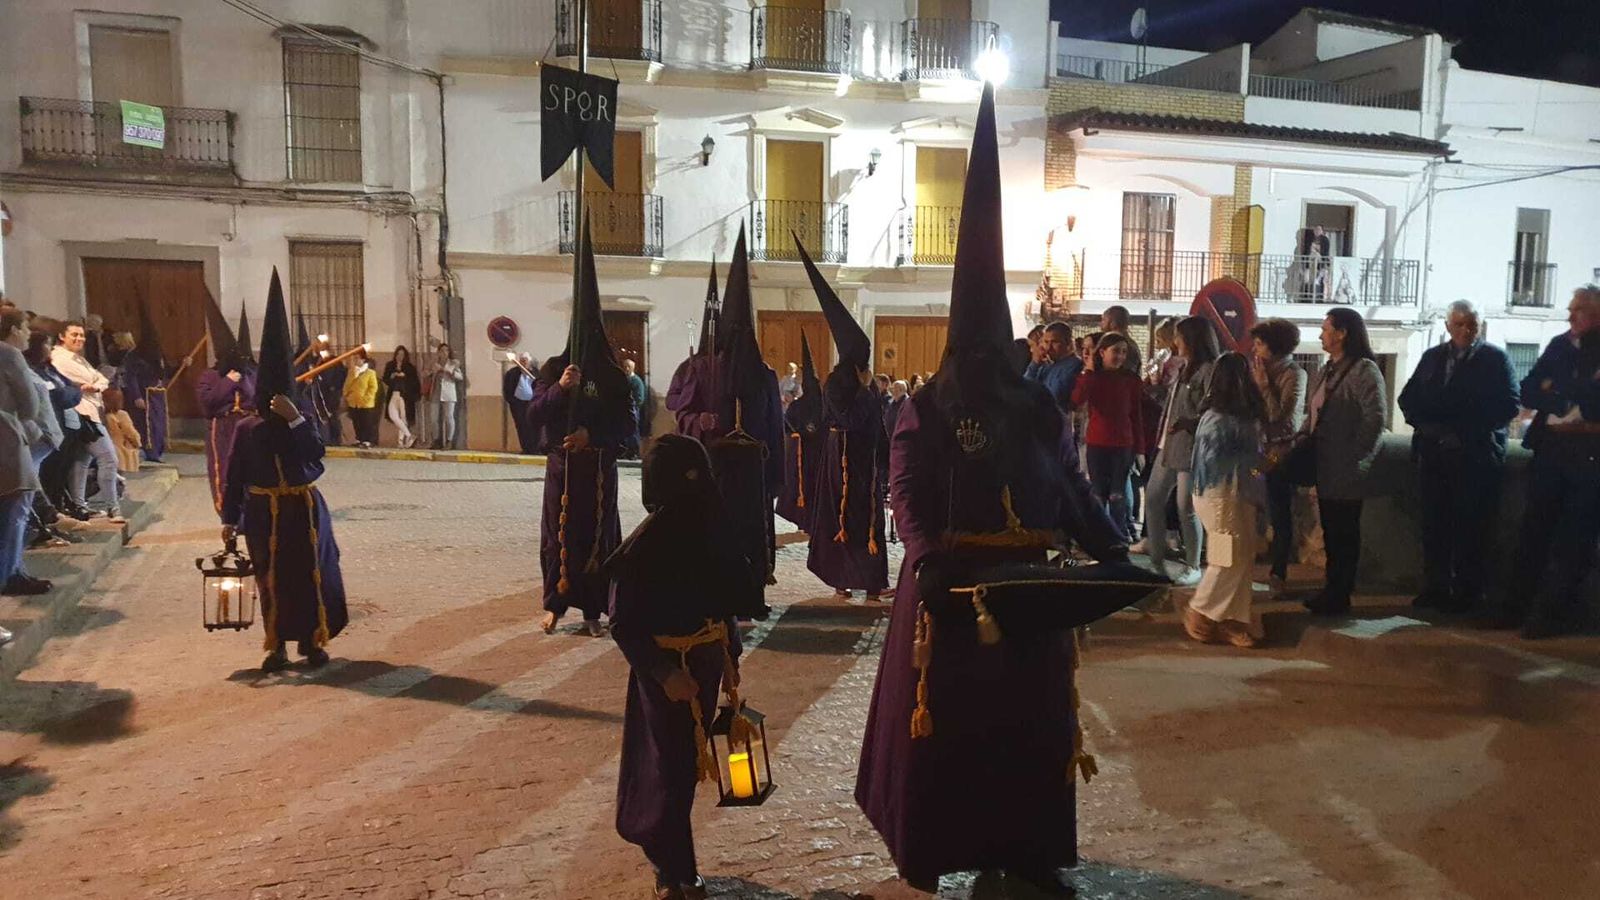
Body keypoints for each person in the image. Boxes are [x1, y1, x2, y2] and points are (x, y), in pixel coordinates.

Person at [857, 84, 1134, 896]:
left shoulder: (1036, 406)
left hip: (1032, 598)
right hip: (954, 599)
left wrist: (1111, 546)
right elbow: (905, 488)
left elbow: (1069, 485)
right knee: (961, 730)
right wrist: (926, 557)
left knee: (1033, 725)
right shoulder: (927, 406)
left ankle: (1030, 851)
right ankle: (959, 849)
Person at [605, 433, 763, 900]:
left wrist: (729, 655)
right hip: (667, 678)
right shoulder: (642, 551)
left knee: (687, 768)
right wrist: (663, 673)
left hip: (706, 666)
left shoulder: (712, 533)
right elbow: (624, 624)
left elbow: (724, 600)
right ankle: (676, 868)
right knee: (670, 767)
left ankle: (672, 862)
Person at [221, 269, 348, 672]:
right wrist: (229, 519)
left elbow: (315, 454)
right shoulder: (247, 428)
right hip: (263, 512)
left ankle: (312, 640)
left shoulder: (302, 419)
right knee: (270, 578)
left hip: (303, 510)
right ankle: (276, 645)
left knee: (309, 575)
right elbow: (234, 475)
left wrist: (295, 420)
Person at [527, 222, 633, 637]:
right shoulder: (557, 368)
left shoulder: (614, 376)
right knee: (557, 538)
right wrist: (560, 389)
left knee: (597, 540)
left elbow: (627, 427)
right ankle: (554, 604)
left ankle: (594, 610)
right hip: (563, 470)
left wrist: (593, 437)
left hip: (599, 472)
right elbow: (534, 413)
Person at [1397, 301, 1518, 615]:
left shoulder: (1495, 360)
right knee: (1434, 524)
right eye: (1460, 324)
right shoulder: (1432, 358)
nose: (1466, 330)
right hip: (1434, 454)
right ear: (1448, 326)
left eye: (1471, 324)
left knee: (1471, 527)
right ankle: (1435, 587)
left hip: (1475, 457)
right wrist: (1428, 428)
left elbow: (1509, 405)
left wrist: (1464, 432)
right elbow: (1408, 397)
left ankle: (1467, 592)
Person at [1503, 285, 1600, 637]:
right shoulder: (1560, 345)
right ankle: (1514, 608)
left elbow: (1593, 399)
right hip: (1551, 451)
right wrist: (1565, 395)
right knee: (1533, 531)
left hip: (1588, 456)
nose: (1570, 315)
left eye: (1578, 310)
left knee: (1573, 539)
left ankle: (1552, 614)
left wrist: (1556, 388)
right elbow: (1529, 388)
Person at [799, 242, 889, 602]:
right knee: (846, 518)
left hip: (866, 461)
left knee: (870, 518)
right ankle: (843, 580)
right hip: (844, 463)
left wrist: (885, 457)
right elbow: (848, 419)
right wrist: (866, 392)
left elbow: (876, 423)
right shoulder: (837, 383)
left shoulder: (863, 381)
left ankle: (873, 583)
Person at [1299, 308, 1387, 616]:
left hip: (1346, 468)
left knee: (1344, 532)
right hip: (1325, 465)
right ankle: (1332, 589)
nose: (1321, 335)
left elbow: (1375, 418)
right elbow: (1314, 414)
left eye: (1326, 329)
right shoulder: (1327, 369)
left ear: (1342, 333)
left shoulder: (1364, 371)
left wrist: (1356, 457)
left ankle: (1340, 593)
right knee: (1331, 530)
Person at [1183, 353, 1267, 648]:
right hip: (1220, 496)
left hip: (1235, 494)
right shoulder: (1218, 420)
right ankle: (1201, 611)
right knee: (1227, 557)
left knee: (1243, 555)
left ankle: (1231, 619)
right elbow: (1229, 464)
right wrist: (1264, 463)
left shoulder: (1234, 417)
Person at [1141, 316, 1219, 585]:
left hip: (1190, 447)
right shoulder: (1183, 367)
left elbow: (1211, 409)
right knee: (1153, 498)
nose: (1174, 342)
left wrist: (1189, 422)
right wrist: (1155, 388)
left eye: (1178, 336)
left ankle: (1193, 564)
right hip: (1168, 444)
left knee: (1186, 506)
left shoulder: (1209, 370)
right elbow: (1172, 403)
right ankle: (1156, 560)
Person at [1249, 318, 1307, 595]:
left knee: (1279, 510)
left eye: (1260, 344)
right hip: (1255, 452)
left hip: (1278, 455)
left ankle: (1278, 572)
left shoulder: (1294, 374)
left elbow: (1280, 417)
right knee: (1251, 504)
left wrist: (1263, 385)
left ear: (1274, 347)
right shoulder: (1256, 370)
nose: (1255, 349)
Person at [1071, 332, 1147, 543]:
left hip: (1123, 444)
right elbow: (1076, 399)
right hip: (1097, 442)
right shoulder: (1092, 378)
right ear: (1102, 352)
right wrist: (1088, 370)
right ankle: (1097, 534)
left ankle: (1118, 535)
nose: (1120, 356)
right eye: (1116, 351)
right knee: (1098, 492)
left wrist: (1140, 449)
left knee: (1117, 493)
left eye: (1123, 352)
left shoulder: (1131, 380)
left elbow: (1136, 415)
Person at [52, 319, 124, 523]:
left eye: (82, 335)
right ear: (62, 336)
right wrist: (95, 383)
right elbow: (90, 379)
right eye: (74, 334)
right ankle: (113, 507)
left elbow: (102, 379)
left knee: (81, 461)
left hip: (89, 412)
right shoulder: (59, 358)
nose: (79, 338)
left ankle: (79, 505)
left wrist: (96, 384)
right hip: (81, 415)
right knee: (108, 458)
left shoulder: (79, 359)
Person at [0, 309, 46, 597]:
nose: (29, 334)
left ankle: (15, 571)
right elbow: (29, 406)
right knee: (15, 510)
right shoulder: (9, 354)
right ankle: (8, 575)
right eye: (26, 328)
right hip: (6, 438)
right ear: (14, 329)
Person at [776, 334, 823, 531]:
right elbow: (788, 425)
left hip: (809, 455)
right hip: (807, 454)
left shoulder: (816, 405)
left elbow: (787, 424)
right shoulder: (821, 404)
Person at [1025, 321, 1082, 412]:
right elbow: (1025, 389)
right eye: (1046, 342)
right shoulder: (1045, 364)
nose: (1048, 347)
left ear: (1067, 342)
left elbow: (1055, 396)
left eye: (1054, 342)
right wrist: (1035, 363)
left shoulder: (1075, 365)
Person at [382, 345, 421, 449]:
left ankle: (401, 441)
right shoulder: (390, 365)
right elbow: (385, 379)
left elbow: (414, 382)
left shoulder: (409, 367)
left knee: (403, 418)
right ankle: (409, 435)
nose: (400, 356)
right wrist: (392, 376)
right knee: (393, 415)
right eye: (398, 354)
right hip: (393, 393)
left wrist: (404, 376)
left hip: (404, 395)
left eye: (402, 355)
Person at [427, 342, 463, 449]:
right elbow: (426, 374)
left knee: (449, 417)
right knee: (433, 418)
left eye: (446, 351)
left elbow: (460, 377)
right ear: (438, 352)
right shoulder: (434, 364)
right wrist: (431, 372)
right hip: (435, 392)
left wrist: (446, 370)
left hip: (448, 393)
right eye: (442, 351)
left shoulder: (453, 363)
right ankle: (436, 440)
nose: (444, 353)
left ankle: (449, 441)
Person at [342, 348, 380, 448]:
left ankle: (367, 440)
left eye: (357, 358)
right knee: (356, 421)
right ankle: (359, 439)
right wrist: (347, 395)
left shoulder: (370, 373)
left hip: (366, 403)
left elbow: (373, 387)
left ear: (363, 360)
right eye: (354, 358)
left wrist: (367, 398)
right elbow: (347, 385)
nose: (355, 360)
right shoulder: (352, 372)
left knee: (366, 422)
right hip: (354, 402)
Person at [102, 388, 142, 474]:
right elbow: (130, 432)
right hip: (121, 451)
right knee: (142, 454)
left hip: (104, 449)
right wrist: (138, 443)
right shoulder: (122, 415)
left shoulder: (101, 415)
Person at [1100, 305, 1143, 375]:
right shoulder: (1131, 344)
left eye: (1103, 320)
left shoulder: (1125, 346)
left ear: (1113, 323)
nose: (1101, 324)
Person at [624, 359, 648, 459]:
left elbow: (639, 398)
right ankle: (627, 451)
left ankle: (635, 452)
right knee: (626, 431)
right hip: (625, 410)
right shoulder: (624, 379)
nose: (626, 369)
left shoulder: (636, 381)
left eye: (628, 367)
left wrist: (634, 407)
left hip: (633, 409)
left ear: (632, 368)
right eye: (625, 366)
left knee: (633, 431)